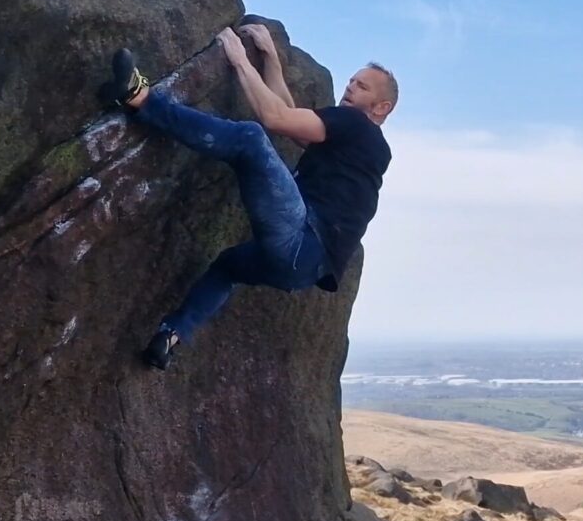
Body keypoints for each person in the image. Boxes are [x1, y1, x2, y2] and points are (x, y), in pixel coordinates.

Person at [101, 26, 395, 369]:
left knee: (249, 139)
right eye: (351, 80)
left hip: (302, 236)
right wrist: (270, 58)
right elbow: (289, 112)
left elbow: (274, 117)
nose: (350, 86)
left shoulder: (357, 126)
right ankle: (172, 335)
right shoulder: (365, 150)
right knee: (228, 267)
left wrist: (240, 60)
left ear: (381, 107)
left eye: (362, 86)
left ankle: (140, 97)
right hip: (302, 271)